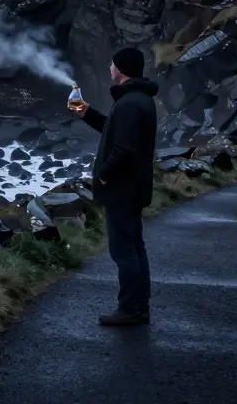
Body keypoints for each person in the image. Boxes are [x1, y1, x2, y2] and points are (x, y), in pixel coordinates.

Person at [70, 46, 158, 326]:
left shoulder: (131, 103)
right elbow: (115, 129)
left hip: (122, 190)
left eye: (112, 63)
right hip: (133, 188)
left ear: (121, 68)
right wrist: (85, 112)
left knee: (123, 251)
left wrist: (103, 176)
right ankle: (138, 307)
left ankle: (130, 308)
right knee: (135, 248)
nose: (109, 67)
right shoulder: (137, 100)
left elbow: (124, 147)